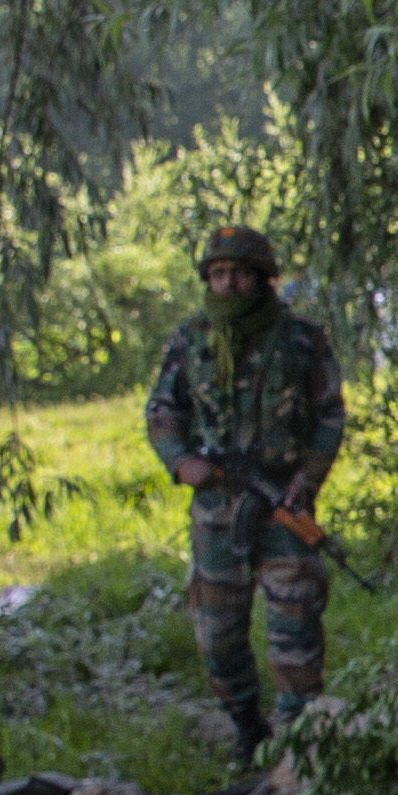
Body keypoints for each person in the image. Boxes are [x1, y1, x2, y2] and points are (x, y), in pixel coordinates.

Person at [141, 224, 347, 764]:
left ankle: (297, 745)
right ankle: (246, 730)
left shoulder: (302, 339)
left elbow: (330, 414)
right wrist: (181, 461)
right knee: (218, 638)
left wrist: (305, 482)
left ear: (262, 277)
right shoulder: (191, 340)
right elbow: (164, 409)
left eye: (239, 273)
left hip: (283, 508)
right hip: (216, 513)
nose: (228, 284)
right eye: (218, 274)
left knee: (295, 634)